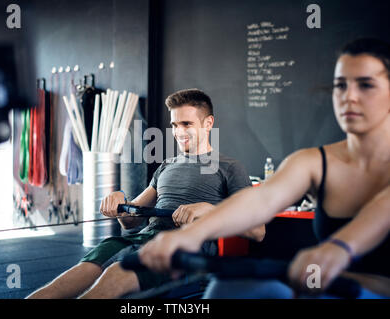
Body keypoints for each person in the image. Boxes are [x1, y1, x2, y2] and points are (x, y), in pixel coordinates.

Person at [139, 38, 390, 299]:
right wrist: (191, 234)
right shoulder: (313, 161)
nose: (349, 96)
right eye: (340, 85)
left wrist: (339, 248)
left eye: (366, 85)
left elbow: (381, 210)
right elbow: (260, 199)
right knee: (226, 288)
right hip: (330, 289)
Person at [27, 88, 264, 299]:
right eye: (174, 125)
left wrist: (210, 211)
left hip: (186, 247)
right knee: (73, 276)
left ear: (208, 123)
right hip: (142, 239)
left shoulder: (230, 167)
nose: (178, 132)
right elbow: (131, 221)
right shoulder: (166, 166)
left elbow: (257, 231)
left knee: (116, 273)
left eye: (187, 124)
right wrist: (120, 202)